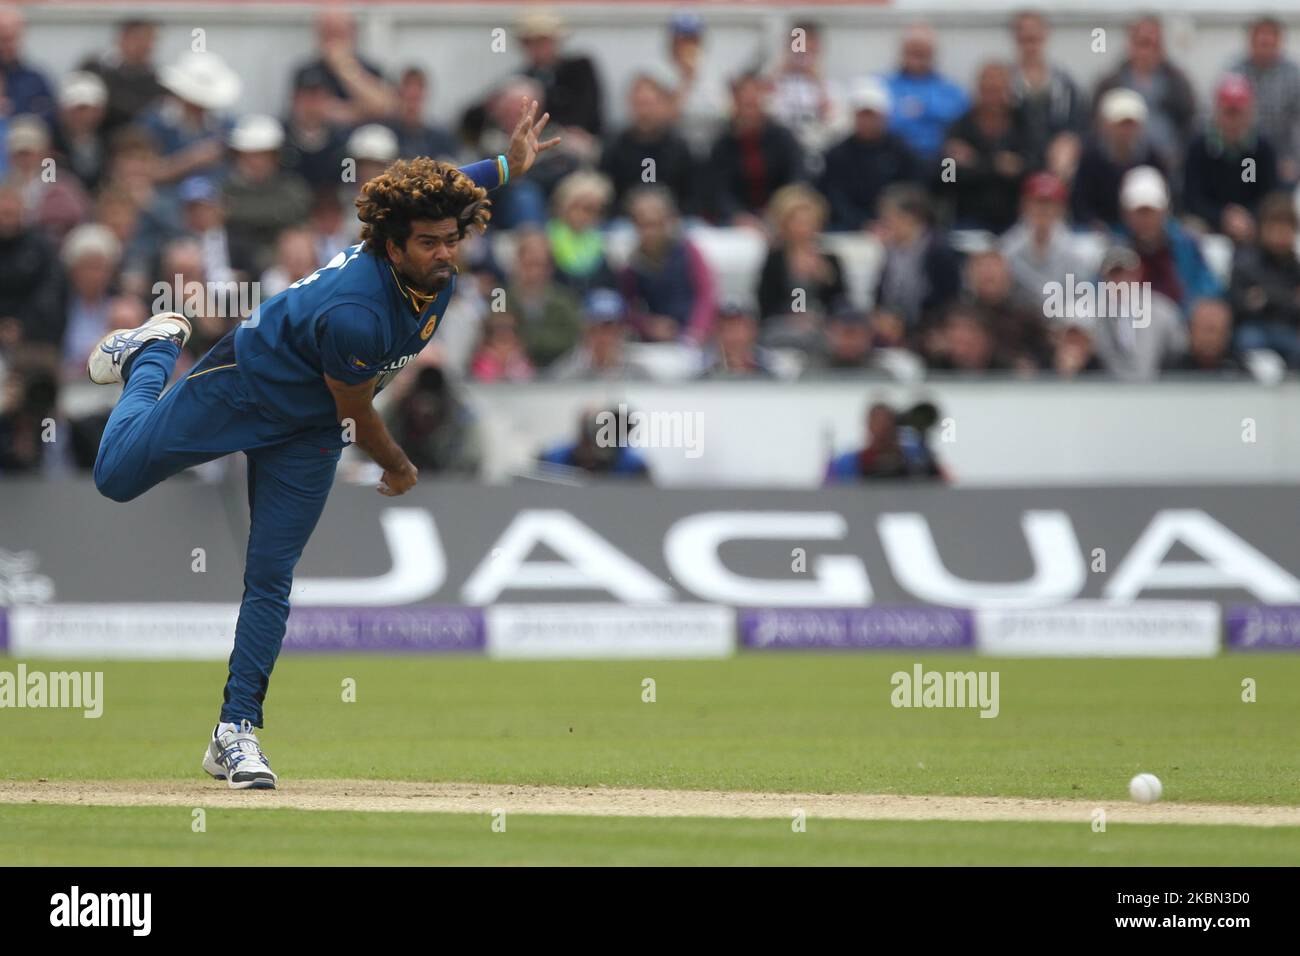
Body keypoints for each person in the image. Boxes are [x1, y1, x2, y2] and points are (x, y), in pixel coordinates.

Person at [85, 99, 559, 790]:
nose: (445, 251)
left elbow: (448, 190)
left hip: (307, 430)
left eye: (451, 239)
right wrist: (396, 464)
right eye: (429, 242)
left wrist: (510, 163)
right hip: (243, 386)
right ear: (393, 245)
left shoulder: (425, 245)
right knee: (115, 476)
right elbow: (358, 411)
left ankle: (234, 733)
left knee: (271, 579)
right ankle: (153, 351)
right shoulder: (359, 312)